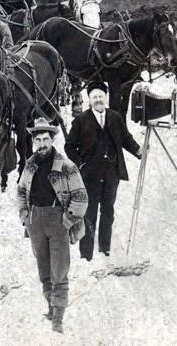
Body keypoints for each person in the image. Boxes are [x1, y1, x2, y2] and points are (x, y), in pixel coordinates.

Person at [17, 117, 87, 334]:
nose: (42, 144)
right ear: (34, 142)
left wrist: (67, 220)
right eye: (38, 140)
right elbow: (21, 191)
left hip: (58, 220)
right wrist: (24, 215)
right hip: (35, 220)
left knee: (59, 270)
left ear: (53, 139)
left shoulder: (66, 166)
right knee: (44, 269)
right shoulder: (29, 165)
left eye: (46, 139)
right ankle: (50, 307)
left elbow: (81, 197)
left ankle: (58, 318)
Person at [64, 83, 140, 263]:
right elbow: (69, 146)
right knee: (89, 212)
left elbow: (126, 139)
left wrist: (138, 151)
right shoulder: (81, 120)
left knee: (108, 210)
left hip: (112, 173)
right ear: (89, 100)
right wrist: (80, 163)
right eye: (94, 97)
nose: (98, 100)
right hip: (89, 176)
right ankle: (86, 253)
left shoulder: (115, 117)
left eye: (100, 96)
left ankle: (105, 248)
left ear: (105, 97)